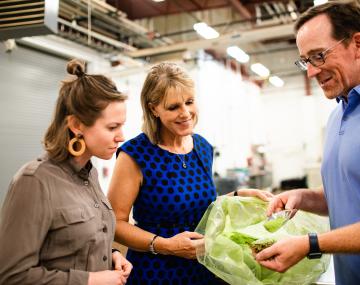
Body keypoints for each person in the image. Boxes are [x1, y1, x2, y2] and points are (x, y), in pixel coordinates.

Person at [107, 62, 273, 284]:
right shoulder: (135, 154)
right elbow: (115, 224)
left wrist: (237, 196)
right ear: (153, 109)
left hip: (203, 268)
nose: (185, 113)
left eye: (189, 102)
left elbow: (199, 207)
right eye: (173, 107)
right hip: (158, 272)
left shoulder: (203, 147)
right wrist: (165, 245)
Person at [0, 59, 132, 285]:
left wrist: (111, 255)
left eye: (122, 125)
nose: (121, 137)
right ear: (77, 125)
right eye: (112, 127)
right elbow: (12, 276)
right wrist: (90, 280)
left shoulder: (90, 174)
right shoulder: (34, 181)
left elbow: (73, 245)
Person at [254, 1, 360, 284]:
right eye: (305, 60)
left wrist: (311, 244)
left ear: (357, 44)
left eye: (319, 56)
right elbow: (347, 194)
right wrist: (304, 197)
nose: (311, 72)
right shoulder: (339, 114)